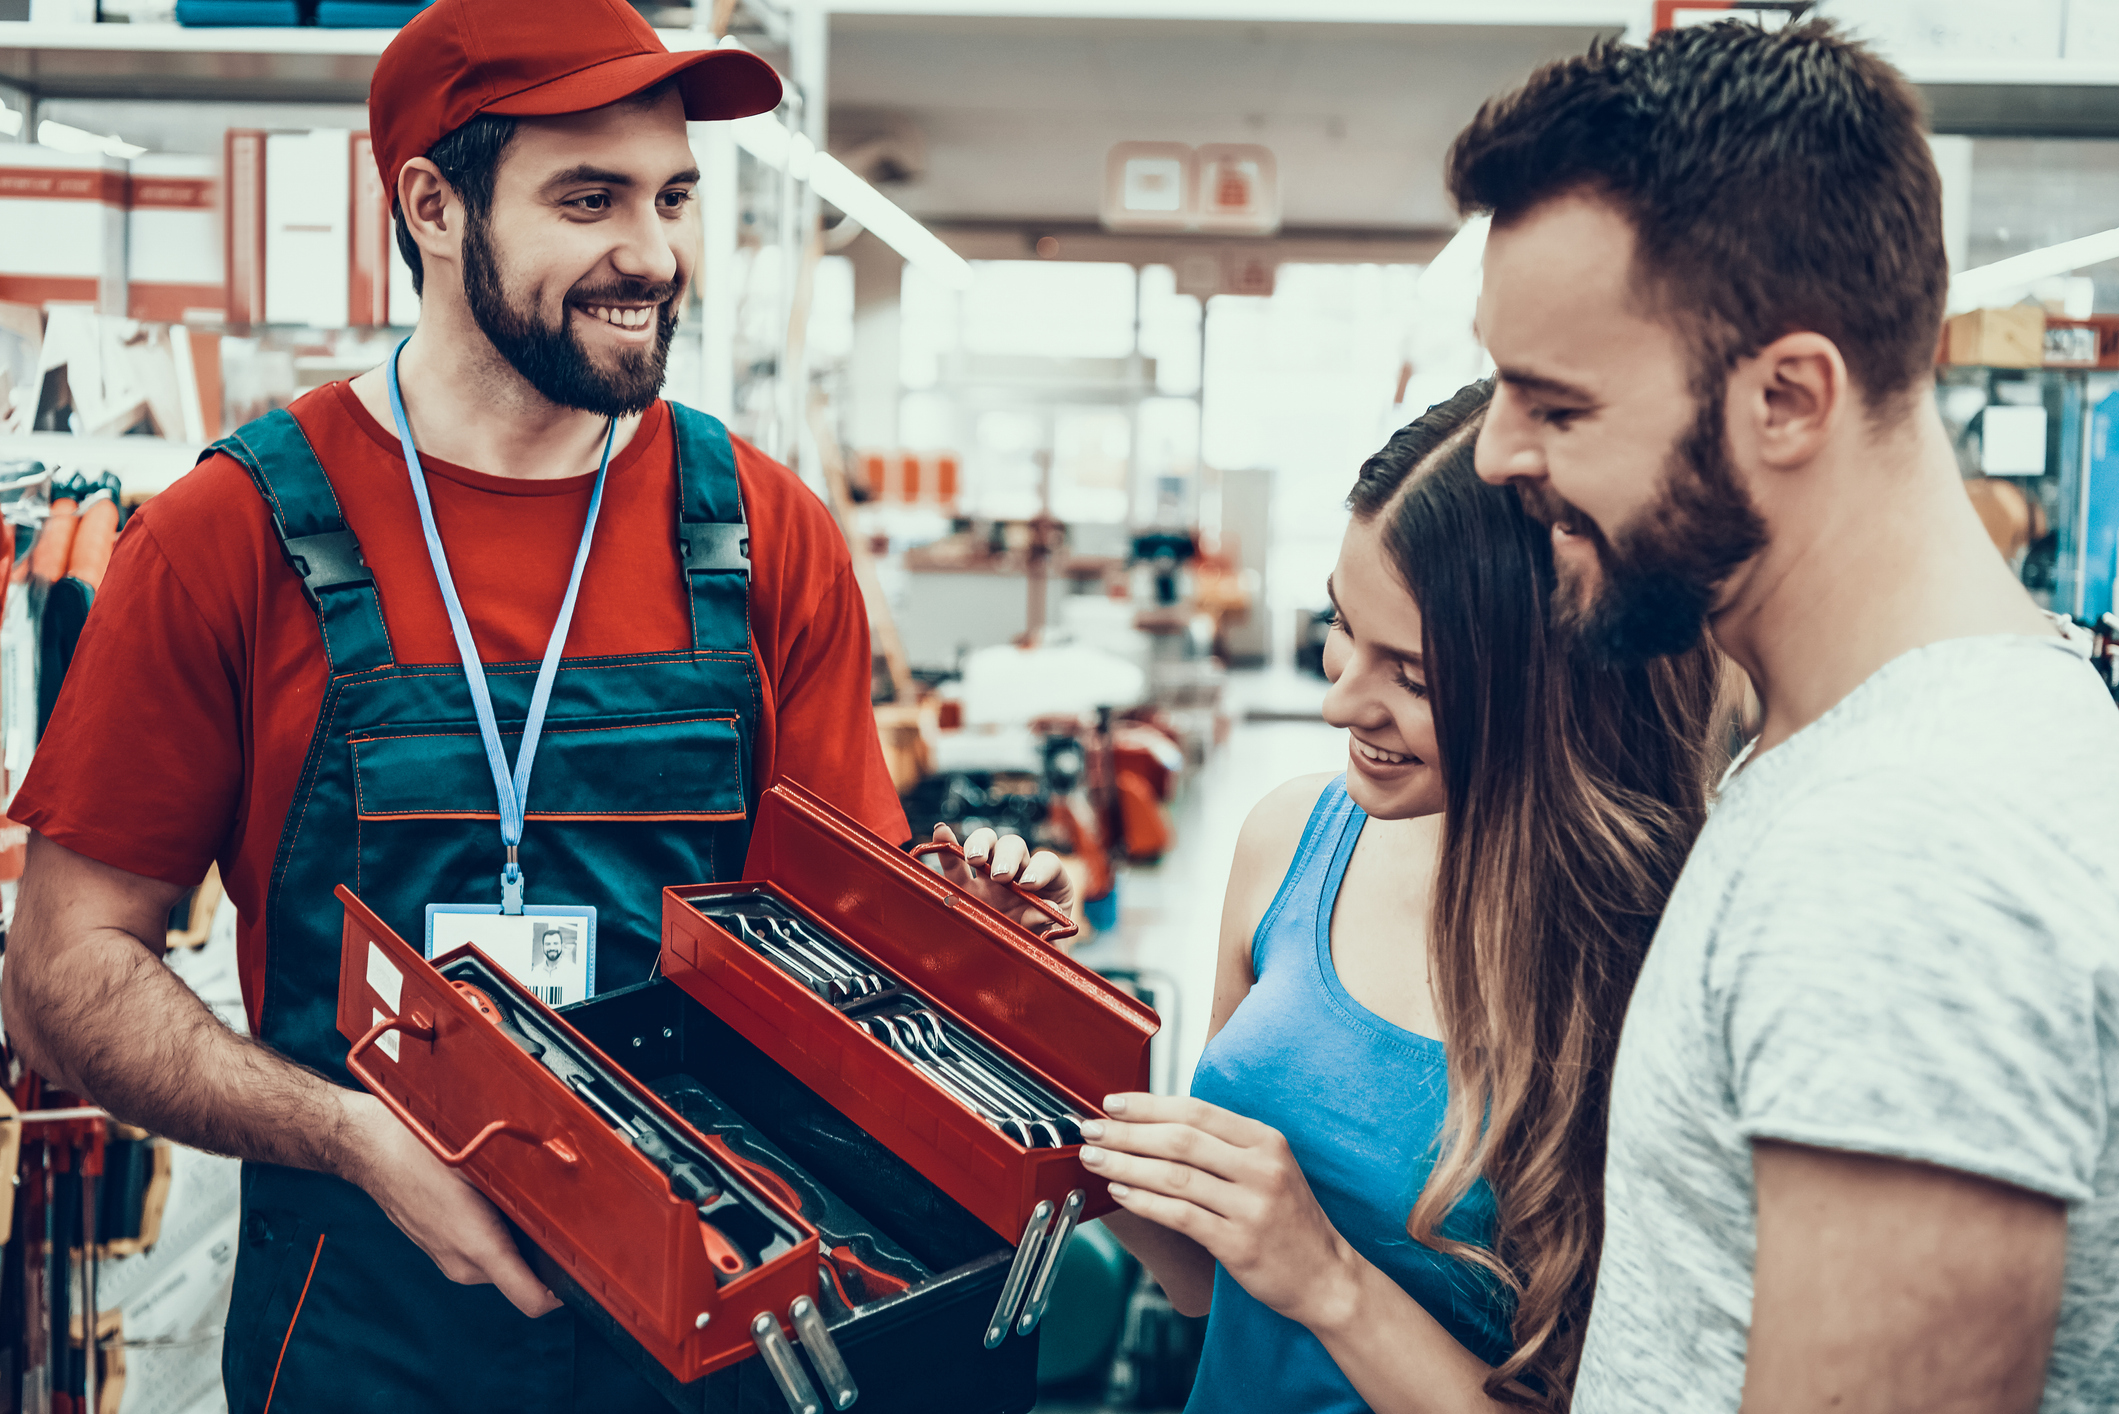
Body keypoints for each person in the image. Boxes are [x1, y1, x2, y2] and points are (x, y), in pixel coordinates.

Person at [0, 4, 1061, 1409]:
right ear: (432, 206)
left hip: (728, 1328)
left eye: (674, 195)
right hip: (365, 1325)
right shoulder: (232, 533)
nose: (656, 253)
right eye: (589, 198)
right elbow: (64, 976)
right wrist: (351, 1133)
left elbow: (824, 957)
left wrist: (960, 953)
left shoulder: (756, 529)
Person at [1452, 20, 2119, 1412]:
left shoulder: (1903, 850)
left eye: (1553, 405)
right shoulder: (1859, 746)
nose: (1494, 452)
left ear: (1786, 397)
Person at [1081, 381, 1725, 1411]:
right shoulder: (1294, 842)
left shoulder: (1658, 960)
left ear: (1552, 686)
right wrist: (1020, 1047)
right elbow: (1203, 1279)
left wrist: (1332, 1282)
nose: (1338, 699)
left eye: (1412, 676)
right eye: (1340, 624)